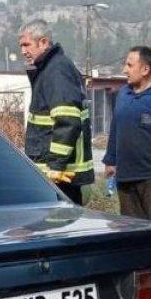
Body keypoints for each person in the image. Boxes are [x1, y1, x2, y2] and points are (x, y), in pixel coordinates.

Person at [18, 20, 94, 204]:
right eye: (21, 46)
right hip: (55, 174)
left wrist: (56, 165)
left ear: (43, 42)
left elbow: (68, 120)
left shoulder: (56, 70)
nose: (23, 51)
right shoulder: (50, 68)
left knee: (61, 226)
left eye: (26, 44)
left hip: (61, 176)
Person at [102, 47, 151, 222]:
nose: (124, 70)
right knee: (132, 231)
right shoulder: (123, 94)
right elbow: (116, 127)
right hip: (125, 176)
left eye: (129, 65)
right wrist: (110, 160)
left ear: (145, 69)